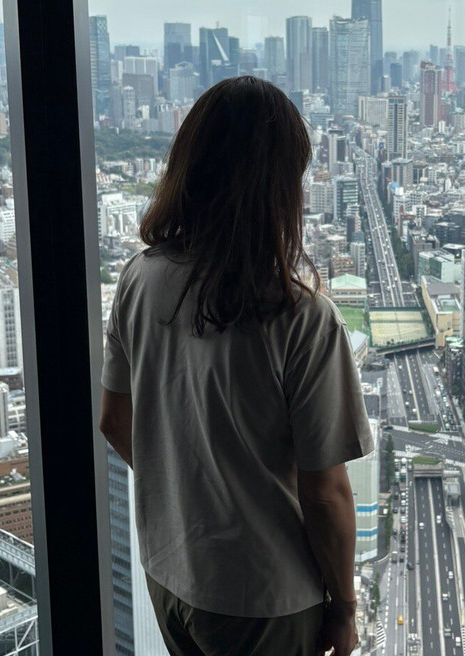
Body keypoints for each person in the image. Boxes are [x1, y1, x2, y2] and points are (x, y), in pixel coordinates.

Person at [99, 76, 374, 656]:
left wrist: (191, 486)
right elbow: (326, 493)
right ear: (279, 188)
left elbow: (115, 422)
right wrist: (345, 610)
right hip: (264, 597)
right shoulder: (300, 317)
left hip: (170, 572)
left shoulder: (138, 278)